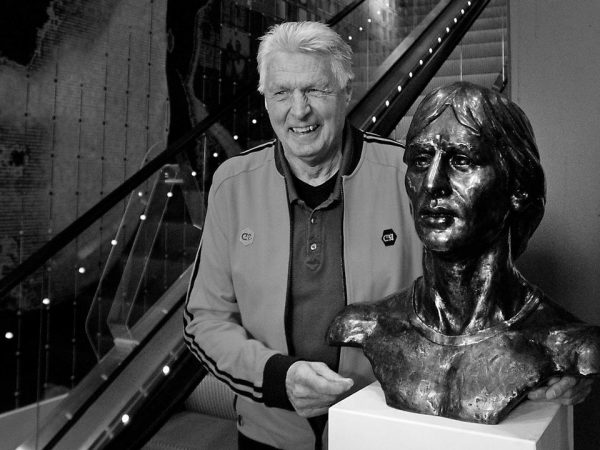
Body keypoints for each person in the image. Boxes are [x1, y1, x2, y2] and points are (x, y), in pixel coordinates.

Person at [184, 22, 590, 449]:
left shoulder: (413, 175)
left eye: (315, 90)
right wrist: (274, 378)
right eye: (281, 93)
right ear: (265, 99)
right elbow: (204, 319)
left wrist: (554, 371)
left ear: (346, 92)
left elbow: (481, 296)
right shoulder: (232, 184)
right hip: (267, 434)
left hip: (382, 429)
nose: (298, 110)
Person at [327, 81, 600, 424]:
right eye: (420, 160)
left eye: (461, 160)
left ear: (517, 187)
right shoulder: (368, 326)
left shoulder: (563, 342)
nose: (432, 184)